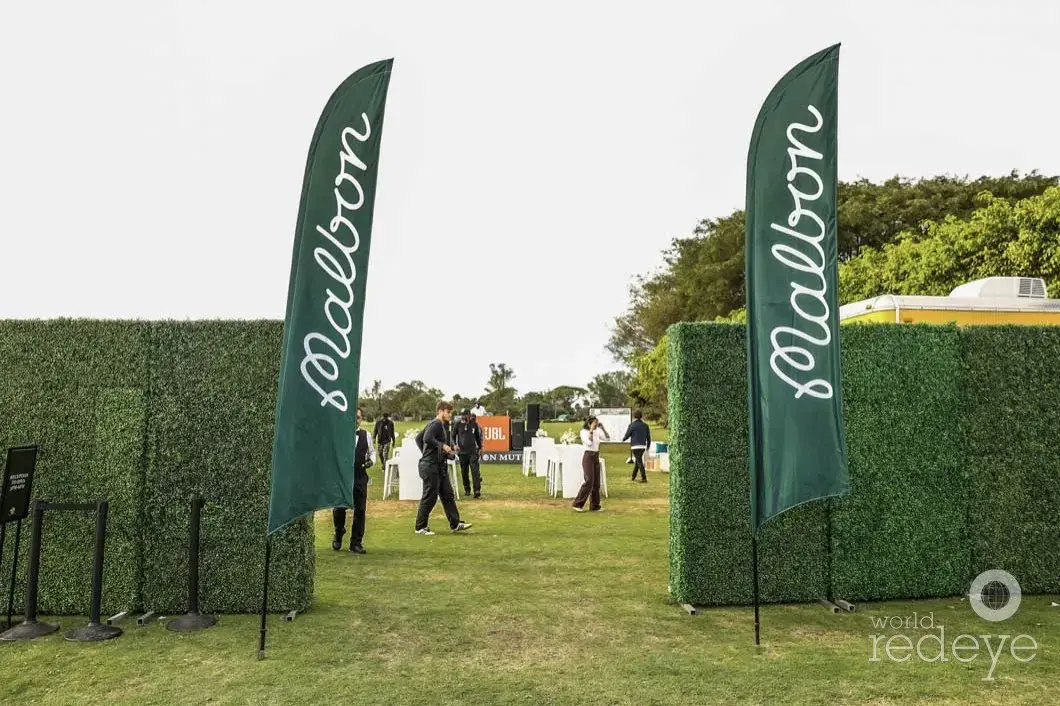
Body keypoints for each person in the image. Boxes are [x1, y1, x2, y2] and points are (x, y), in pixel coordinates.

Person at [413, 400, 473, 535]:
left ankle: (455, 523)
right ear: (440, 411)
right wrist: (441, 447)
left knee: (447, 495)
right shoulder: (436, 424)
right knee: (430, 497)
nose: (450, 414)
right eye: (448, 412)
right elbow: (427, 438)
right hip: (430, 466)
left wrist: (439, 451)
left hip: (439, 466)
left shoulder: (442, 425)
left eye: (451, 412)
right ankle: (420, 527)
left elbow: (418, 438)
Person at [332, 407, 375, 554]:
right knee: (339, 507)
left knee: (360, 510)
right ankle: (338, 532)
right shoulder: (340, 433)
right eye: (353, 417)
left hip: (360, 476)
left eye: (358, 417)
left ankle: (356, 542)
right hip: (343, 477)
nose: (356, 420)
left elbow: (372, 452)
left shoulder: (366, 435)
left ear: (361, 419)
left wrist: (372, 461)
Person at [572, 415, 609, 512]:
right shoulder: (583, 432)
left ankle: (595, 506)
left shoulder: (598, 431)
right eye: (594, 423)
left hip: (596, 455)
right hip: (588, 456)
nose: (596, 425)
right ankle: (578, 503)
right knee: (589, 480)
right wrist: (591, 431)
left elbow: (607, 438)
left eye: (597, 423)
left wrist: (603, 428)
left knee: (596, 483)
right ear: (589, 423)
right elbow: (589, 442)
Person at [453, 409, 484, 497]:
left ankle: (477, 490)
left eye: (465, 415)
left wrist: (481, 448)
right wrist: (454, 445)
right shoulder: (457, 424)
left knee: (475, 471)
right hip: (462, 452)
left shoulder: (474, 424)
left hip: (473, 451)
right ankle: (467, 488)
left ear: (469, 415)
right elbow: (452, 436)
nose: (463, 417)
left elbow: (478, 438)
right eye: (462, 415)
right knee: (464, 472)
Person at [623, 410, 652, 483]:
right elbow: (648, 437)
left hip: (635, 446)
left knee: (639, 461)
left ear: (634, 416)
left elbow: (628, 434)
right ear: (641, 416)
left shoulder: (632, 425)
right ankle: (633, 476)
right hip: (642, 446)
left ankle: (644, 478)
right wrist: (648, 446)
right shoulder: (645, 425)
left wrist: (623, 439)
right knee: (638, 460)